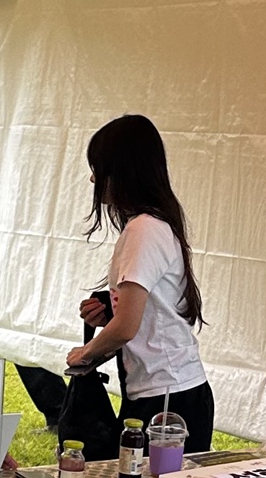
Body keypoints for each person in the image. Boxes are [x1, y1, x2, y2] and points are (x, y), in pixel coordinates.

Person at [66, 114, 214, 451]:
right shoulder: (149, 226)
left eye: (98, 169)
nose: (93, 178)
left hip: (168, 396)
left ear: (122, 172)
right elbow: (141, 312)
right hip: (164, 391)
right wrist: (109, 311)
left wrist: (85, 354)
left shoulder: (144, 230)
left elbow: (126, 327)